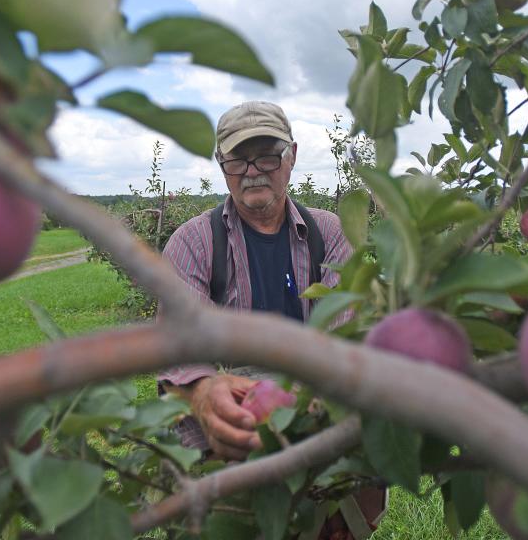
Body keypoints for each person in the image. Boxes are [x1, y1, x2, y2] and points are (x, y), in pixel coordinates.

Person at [158, 101, 386, 538]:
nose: (252, 170)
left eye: (266, 154)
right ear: (221, 165)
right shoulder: (193, 243)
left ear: (292, 156)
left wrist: (303, 406)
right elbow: (177, 348)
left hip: (319, 421)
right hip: (232, 438)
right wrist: (205, 392)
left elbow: (347, 337)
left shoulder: (329, 233)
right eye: (237, 159)